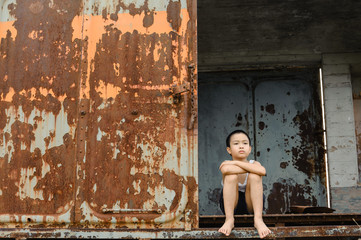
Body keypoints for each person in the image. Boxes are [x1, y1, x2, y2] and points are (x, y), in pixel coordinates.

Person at [218, 130, 272, 238]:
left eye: (245, 143)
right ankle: (229, 220)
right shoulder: (226, 164)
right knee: (231, 176)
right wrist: (249, 168)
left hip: (251, 204)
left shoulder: (254, 163)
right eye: (236, 143)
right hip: (232, 205)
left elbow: (262, 171)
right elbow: (226, 170)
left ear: (250, 148)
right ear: (229, 150)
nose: (241, 146)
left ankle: (258, 219)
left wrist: (236, 162)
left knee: (254, 175)